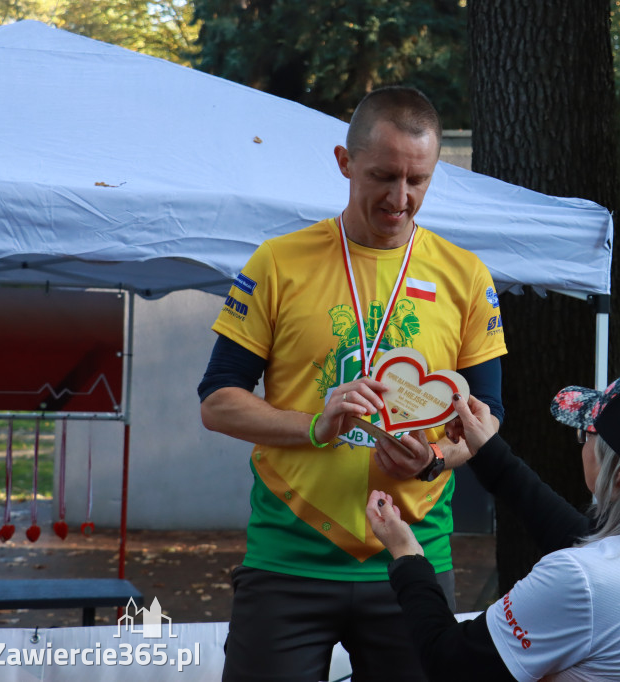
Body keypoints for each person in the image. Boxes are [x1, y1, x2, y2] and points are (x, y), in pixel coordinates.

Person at [198, 86, 508, 682]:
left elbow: (488, 413)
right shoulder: (278, 262)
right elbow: (218, 401)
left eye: (418, 180)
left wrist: (436, 458)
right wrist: (315, 424)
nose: (400, 199)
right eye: (383, 176)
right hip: (288, 560)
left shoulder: (466, 275)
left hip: (411, 558)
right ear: (344, 162)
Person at [366, 367, 620, 682]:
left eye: (585, 434)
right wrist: (487, 450)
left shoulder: (584, 578)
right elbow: (579, 537)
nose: (581, 445)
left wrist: (408, 556)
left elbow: (448, 663)